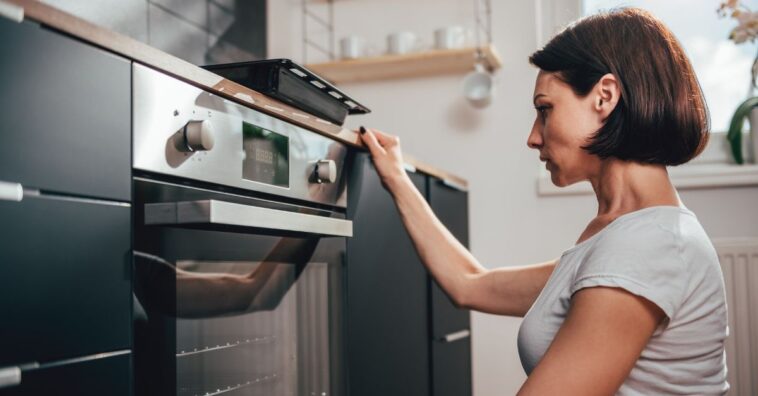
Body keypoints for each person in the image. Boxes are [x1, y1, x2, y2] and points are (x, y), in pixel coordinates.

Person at [356, 7, 729, 396]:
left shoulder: (647, 245)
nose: (533, 137)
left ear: (605, 97)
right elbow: (470, 284)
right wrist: (397, 179)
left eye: (545, 109)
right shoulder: (624, 237)